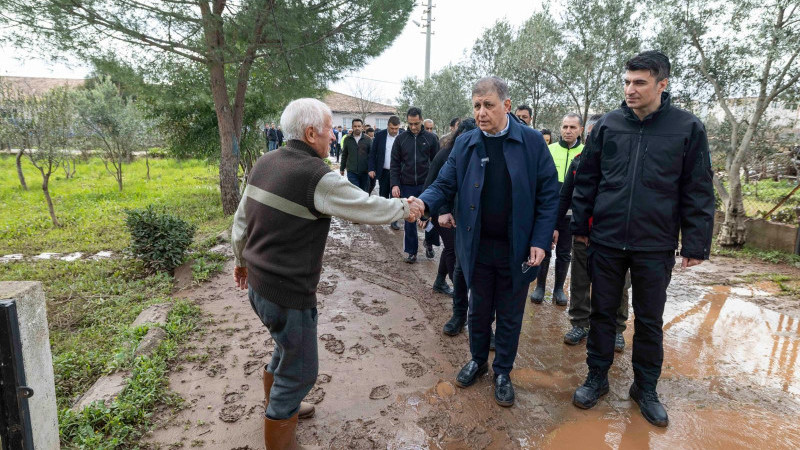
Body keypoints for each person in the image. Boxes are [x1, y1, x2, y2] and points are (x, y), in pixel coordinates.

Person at [231, 98, 421, 449]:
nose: (333, 133)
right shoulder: (315, 175)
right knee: (302, 370)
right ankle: (280, 428)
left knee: (285, 346)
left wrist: (240, 261)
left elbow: (241, 220)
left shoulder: (265, 162)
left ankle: (282, 403)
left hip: (258, 284)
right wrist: (403, 208)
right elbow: (363, 204)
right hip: (288, 292)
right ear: (310, 133)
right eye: (330, 126)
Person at [570, 51, 714, 427]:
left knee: (649, 320)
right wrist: (581, 228)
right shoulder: (607, 125)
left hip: (655, 243)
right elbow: (587, 178)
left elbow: (697, 186)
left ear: (662, 85)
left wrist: (696, 242)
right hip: (607, 238)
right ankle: (596, 377)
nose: (630, 89)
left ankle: (645, 388)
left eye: (639, 82)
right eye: (627, 81)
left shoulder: (687, 128)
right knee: (602, 314)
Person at [415, 77, 559, 407]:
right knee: (478, 310)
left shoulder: (532, 142)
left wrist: (539, 239)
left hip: (517, 247)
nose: (481, 112)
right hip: (476, 245)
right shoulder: (465, 143)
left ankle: (503, 372)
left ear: (506, 106)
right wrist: (425, 204)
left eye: (488, 105)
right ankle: (478, 360)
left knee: (509, 314)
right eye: (477, 106)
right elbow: (444, 183)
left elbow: (550, 194)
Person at [558, 114, 630, 349]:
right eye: (592, 134)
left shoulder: (624, 162)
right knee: (580, 280)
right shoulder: (578, 162)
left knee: (619, 284)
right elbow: (565, 197)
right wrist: (555, 226)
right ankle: (580, 322)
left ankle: (617, 329)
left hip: (616, 237)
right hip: (583, 234)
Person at [430, 118, 478, 335]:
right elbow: (443, 183)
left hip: (487, 222)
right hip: (461, 218)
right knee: (459, 267)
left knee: (485, 274)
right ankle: (459, 315)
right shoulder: (450, 154)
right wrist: (439, 210)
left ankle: (485, 325)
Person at [530, 113, 584, 306]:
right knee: (544, 246)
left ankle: (559, 288)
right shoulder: (549, 150)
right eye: (565, 127)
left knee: (564, 251)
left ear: (580, 130)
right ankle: (540, 286)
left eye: (573, 127)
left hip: (571, 213)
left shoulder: (586, 153)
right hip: (548, 210)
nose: (568, 131)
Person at [390, 107, 440, 263]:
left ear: (421, 120)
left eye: (416, 123)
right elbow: (395, 164)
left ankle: (430, 244)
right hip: (407, 184)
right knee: (410, 218)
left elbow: (437, 163)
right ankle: (411, 252)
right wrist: (395, 184)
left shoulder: (431, 139)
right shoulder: (401, 139)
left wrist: (435, 184)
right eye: (410, 124)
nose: (413, 127)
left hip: (427, 185)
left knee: (429, 216)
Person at [369, 115, 403, 230]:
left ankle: (394, 220)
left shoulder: (403, 135)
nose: (394, 131)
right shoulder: (380, 135)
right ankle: (383, 216)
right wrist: (371, 168)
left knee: (396, 196)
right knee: (383, 195)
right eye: (392, 128)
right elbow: (373, 153)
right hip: (383, 171)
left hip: (399, 172)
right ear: (388, 126)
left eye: (396, 128)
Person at [340, 118, 372, 192]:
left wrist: (372, 169)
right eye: (355, 126)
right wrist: (342, 168)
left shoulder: (368, 140)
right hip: (352, 172)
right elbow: (344, 154)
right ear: (352, 127)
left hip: (365, 171)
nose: (357, 128)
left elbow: (371, 156)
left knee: (364, 193)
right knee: (354, 193)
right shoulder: (347, 139)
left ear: (362, 127)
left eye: (359, 126)